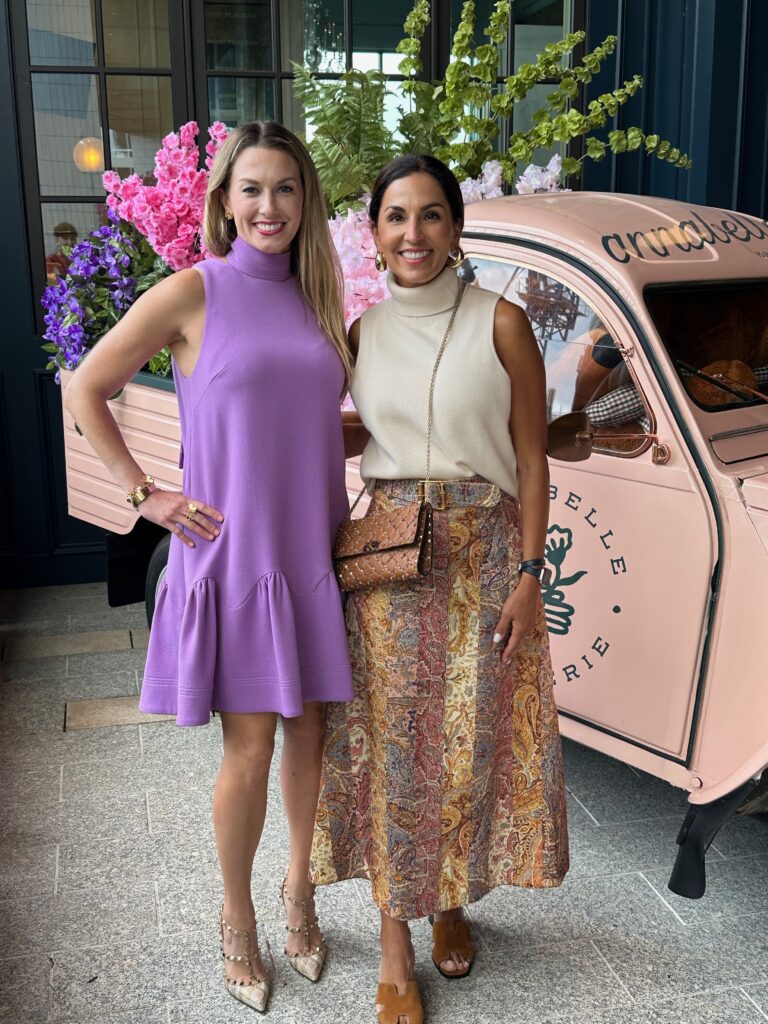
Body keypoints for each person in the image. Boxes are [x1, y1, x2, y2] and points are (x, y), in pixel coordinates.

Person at [64, 121, 355, 1015]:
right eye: (253, 189)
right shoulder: (192, 291)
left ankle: (299, 894)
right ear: (226, 200)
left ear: (306, 203)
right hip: (233, 556)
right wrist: (144, 492)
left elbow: (318, 417)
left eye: (286, 190)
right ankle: (238, 920)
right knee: (253, 742)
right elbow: (85, 386)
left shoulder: (321, 298)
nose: (270, 207)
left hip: (313, 548)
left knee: (311, 734)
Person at [312, 155, 569, 1024]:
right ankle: (394, 946)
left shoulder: (503, 323)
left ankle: (450, 899)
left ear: (458, 227)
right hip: (390, 560)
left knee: (468, 742)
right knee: (393, 752)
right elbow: (342, 431)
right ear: (373, 230)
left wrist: (532, 573)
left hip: (487, 553)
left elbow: (532, 458)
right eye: (395, 217)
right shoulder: (358, 332)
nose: (412, 235)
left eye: (430, 216)